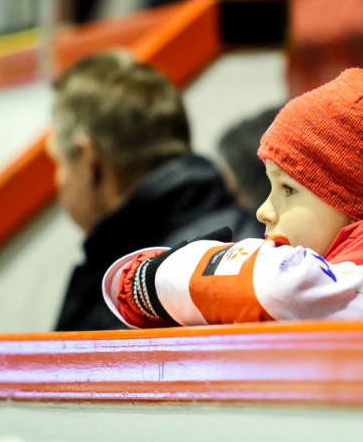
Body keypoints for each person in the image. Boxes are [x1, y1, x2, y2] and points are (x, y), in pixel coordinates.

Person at [102, 40, 363, 328]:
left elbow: (277, 283)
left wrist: (148, 282)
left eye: (288, 190)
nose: (264, 211)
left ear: (361, 200)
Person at [49, 50, 263, 331]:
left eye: (59, 162)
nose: (58, 181)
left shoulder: (139, 282)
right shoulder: (248, 242)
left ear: (89, 162)